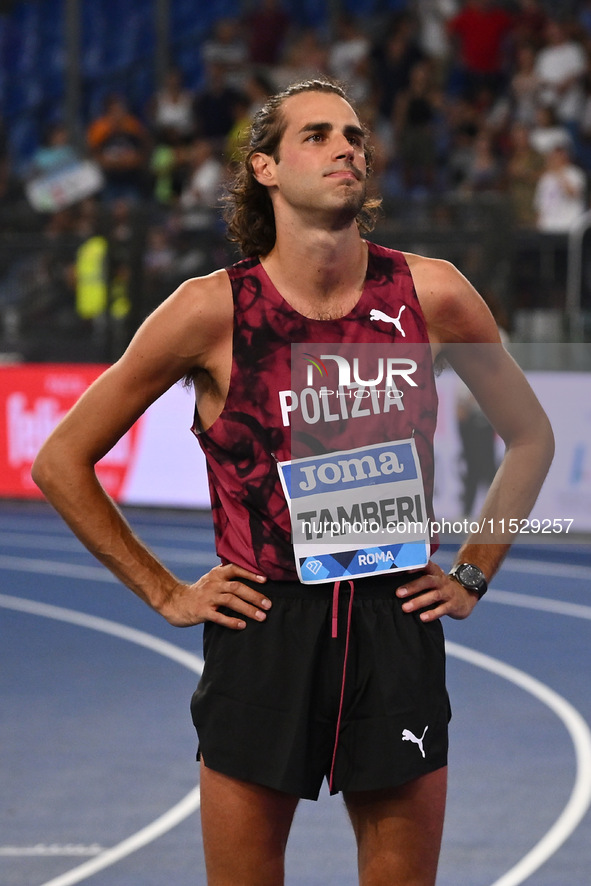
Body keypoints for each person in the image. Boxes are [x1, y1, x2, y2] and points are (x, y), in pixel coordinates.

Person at [32, 79, 554, 886]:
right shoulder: (208, 312)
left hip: (394, 625)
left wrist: (474, 571)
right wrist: (165, 593)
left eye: (354, 133)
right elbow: (61, 460)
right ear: (265, 169)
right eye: (317, 135)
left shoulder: (433, 294)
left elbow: (529, 437)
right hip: (262, 631)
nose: (348, 146)